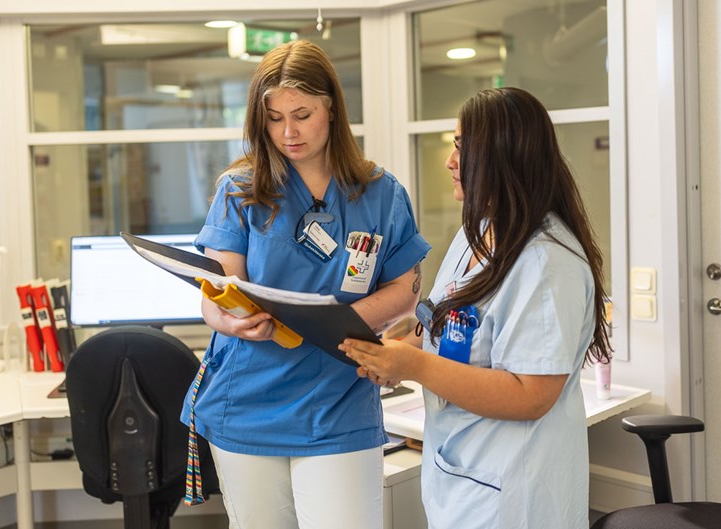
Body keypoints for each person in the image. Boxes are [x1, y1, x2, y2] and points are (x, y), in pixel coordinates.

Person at [180, 40, 430, 529]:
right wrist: (234, 320)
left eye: (302, 114)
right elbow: (215, 298)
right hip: (248, 401)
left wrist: (327, 325)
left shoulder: (381, 193)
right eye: (274, 118)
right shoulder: (240, 190)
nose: (288, 132)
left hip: (338, 402)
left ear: (331, 109)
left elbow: (405, 290)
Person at [339, 87, 612, 529]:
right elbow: (447, 320)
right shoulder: (478, 231)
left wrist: (414, 365)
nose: (450, 160)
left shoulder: (545, 261)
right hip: (462, 471)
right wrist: (405, 343)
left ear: (503, 156)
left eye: (462, 147)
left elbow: (531, 394)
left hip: (513, 492)